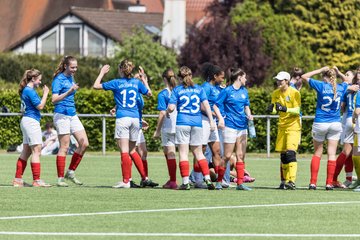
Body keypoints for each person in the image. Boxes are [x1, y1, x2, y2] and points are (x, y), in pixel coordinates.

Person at [93, 60, 154, 188]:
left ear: (121, 69)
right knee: (132, 150)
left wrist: (102, 73)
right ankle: (144, 177)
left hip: (123, 118)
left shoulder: (116, 82)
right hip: (135, 119)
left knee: (125, 151)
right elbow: (149, 93)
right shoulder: (136, 83)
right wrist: (144, 80)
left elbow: (96, 85)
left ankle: (126, 181)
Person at [301, 66, 358, 190]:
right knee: (332, 154)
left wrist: (319, 70)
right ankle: (328, 183)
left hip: (320, 122)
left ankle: (313, 183)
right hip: (335, 124)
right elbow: (348, 81)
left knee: (317, 153)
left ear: (324, 77)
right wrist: (339, 73)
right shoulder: (341, 87)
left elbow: (304, 76)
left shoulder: (321, 86)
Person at [167, 66, 215, 190]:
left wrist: (168, 111)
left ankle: (185, 182)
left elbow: (171, 108)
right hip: (197, 123)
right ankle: (208, 179)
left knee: (183, 153)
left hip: (182, 123)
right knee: (199, 153)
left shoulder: (177, 90)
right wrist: (211, 121)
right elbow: (207, 106)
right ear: (191, 75)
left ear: (179, 77)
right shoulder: (199, 89)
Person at [213, 68, 253, 191]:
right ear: (239, 77)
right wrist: (221, 119)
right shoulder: (227, 91)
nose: (246, 79)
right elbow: (215, 105)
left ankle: (240, 184)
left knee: (241, 155)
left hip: (242, 127)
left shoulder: (244, 91)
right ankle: (219, 181)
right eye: (244, 77)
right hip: (230, 126)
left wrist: (249, 115)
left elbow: (246, 106)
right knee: (227, 156)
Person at [52, 56, 89, 187]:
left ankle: (71, 172)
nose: (75, 69)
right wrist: (69, 92)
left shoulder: (71, 77)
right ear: (66, 66)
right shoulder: (58, 79)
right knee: (65, 147)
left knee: (84, 143)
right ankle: (60, 178)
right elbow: (54, 99)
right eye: (72, 67)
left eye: (76, 67)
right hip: (61, 115)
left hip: (72, 114)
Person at [13, 69, 51, 187]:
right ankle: (37, 180)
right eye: (39, 79)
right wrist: (45, 94)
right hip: (31, 122)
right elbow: (40, 106)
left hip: (26, 121)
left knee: (26, 151)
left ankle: (17, 180)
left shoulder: (26, 90)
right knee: (36, 151)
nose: (40, 82)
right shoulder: (30, 91)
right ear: (33, 79)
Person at [267, 71, 301, 190]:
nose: (278, 82)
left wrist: (285, 109)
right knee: (283, 156)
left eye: (281, 80)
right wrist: (272, 110)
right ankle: (284, 181)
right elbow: (277, 110)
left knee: (290, 153)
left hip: (293, 126)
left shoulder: (294, 92)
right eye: (277, 80)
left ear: (287, 81)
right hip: (282, 126)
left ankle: (291, 181)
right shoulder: (275, 93)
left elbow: (297, 110)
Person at [153, 68, 178, 189]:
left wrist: (157, 130)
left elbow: (162, 113)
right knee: (179, 153)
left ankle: (173, 180)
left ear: (164, 79)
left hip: (168, 126)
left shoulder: (163, 93)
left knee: (170, 153)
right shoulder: (179, 90)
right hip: (182, 124)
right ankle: (183, 179)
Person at [333, 70, 356, 188]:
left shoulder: (346, 89)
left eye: (348, 75)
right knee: (347, 151)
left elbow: (342, 108)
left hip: (347, 120)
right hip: (354, 120)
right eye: (345, 74)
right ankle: (333, 178)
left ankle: (348, 178)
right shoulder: (353, 87)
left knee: (351, 152)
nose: (345, 76)